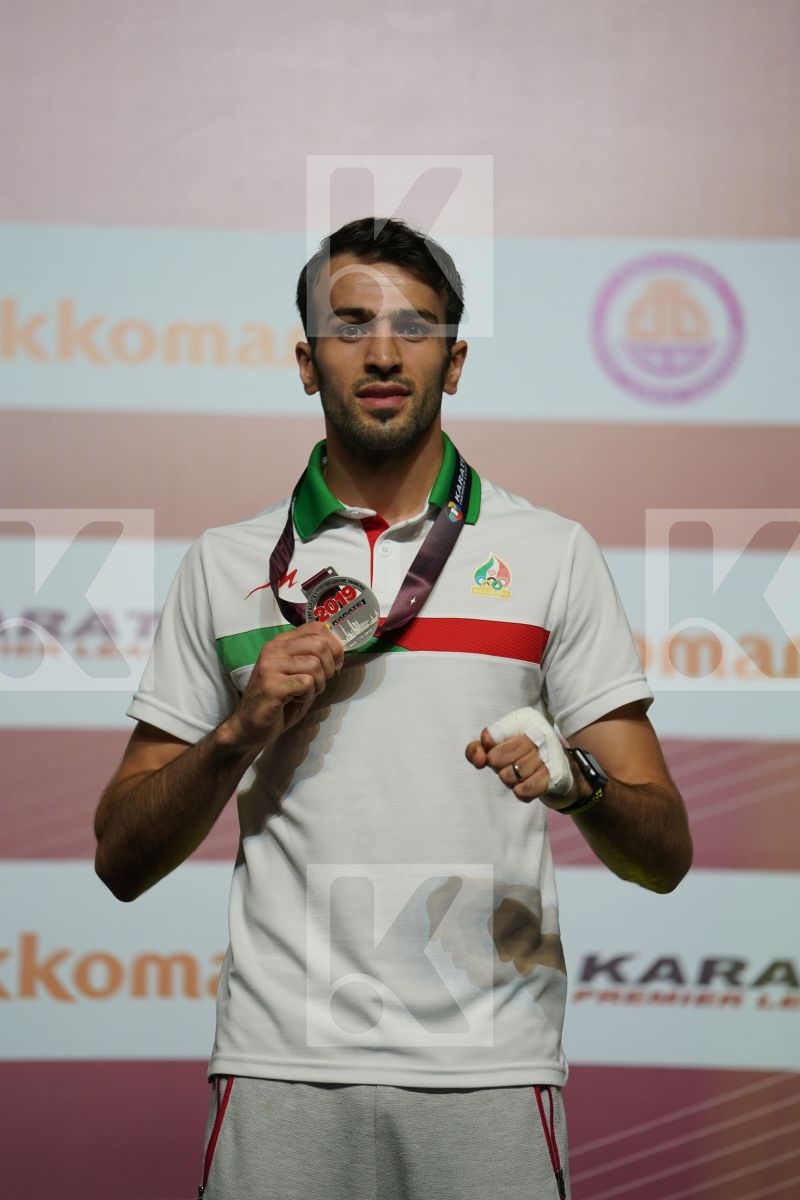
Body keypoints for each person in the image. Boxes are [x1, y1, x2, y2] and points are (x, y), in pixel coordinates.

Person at [94, 216, 692, 1200]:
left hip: (490, 1067)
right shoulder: (229, 563)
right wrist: (238, 732)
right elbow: (120, 856)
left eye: (414, 327)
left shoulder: (553, 554)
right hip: (281, 1061)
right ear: (304, 361)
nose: (381, 351)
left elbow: (662, 853)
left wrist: (574, 783)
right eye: (350, 325)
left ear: (453, 363)